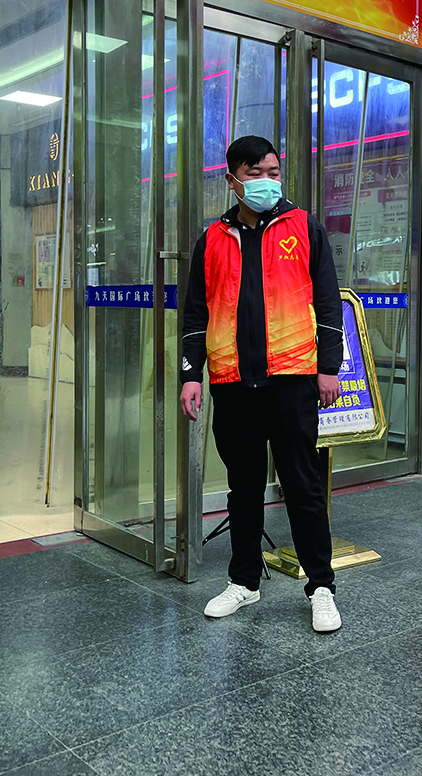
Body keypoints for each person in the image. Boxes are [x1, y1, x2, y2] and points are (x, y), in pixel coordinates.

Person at [180, 135, 345, 633]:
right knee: (243, 487)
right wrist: (190, 374)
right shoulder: (212, 239)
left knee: (303, 485)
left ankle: (320, 586)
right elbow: (195, 312)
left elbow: (328, 302)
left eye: (273, 171)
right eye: (255, 174)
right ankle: (244, 581)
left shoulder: (305, 227)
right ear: (232, 180)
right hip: (231, 382)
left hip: (292, 379)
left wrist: (329, 367)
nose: (267, 181)